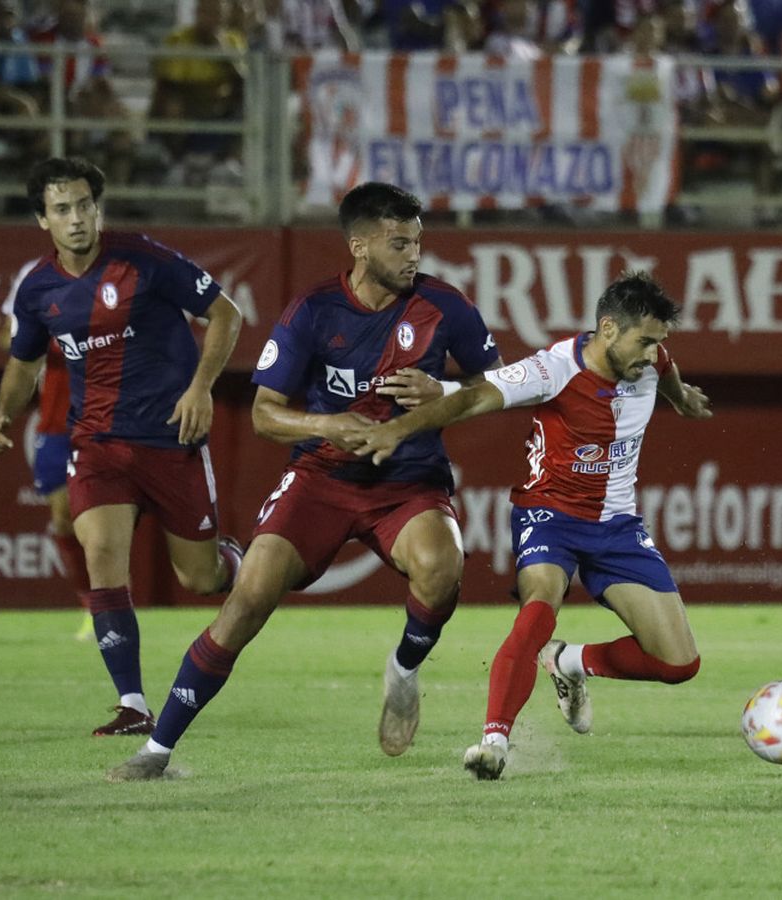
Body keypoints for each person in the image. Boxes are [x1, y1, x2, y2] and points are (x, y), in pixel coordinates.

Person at [106, 181, 503, 781]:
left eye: (418, 243)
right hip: (321, 477)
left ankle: (403, 670)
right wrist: (327, 425)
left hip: (408, 480)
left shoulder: (444, 306)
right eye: (399, 244)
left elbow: (499, 384)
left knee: (443, 569)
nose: (414, 256)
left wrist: (443, 388)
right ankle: (157, 752)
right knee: (247, 600)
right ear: (360, 247)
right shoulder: (314, 310)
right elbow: (264, 414)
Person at [351, 271, 713, 780]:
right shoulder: (555, 368)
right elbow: (475, 398)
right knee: (539, 607)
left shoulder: (651, 361)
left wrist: (680, 398)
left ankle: (568, 662)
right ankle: (494, 742)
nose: (653, 354)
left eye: (659, 343)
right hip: (550, 516)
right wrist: (398, 429)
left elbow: (667, 371)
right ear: (608, 329)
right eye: (645, 342)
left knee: (679, 664)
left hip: (616, 525)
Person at [0, 157, 245, 739]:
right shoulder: (38, 289)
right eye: (62, 209)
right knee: (101, 552)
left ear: (97, 208)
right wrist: (4, 414)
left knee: (200, 579)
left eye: (84, 205)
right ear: (42, 220)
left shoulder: (143, 258)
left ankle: (236, 562)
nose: (76, 218)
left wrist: (201, 387)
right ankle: (132, 704)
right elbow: (23, 362)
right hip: (97, 442)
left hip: (172, 436)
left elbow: (226, 313)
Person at [0, 258, 93, 641]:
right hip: (56, 416)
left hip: (107, 415)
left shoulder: (119, 269)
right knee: (64, 516)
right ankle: (91, 604)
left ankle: (111, 602)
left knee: (99, 520)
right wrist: (44, 332)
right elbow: (7, 336)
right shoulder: (35, 275)